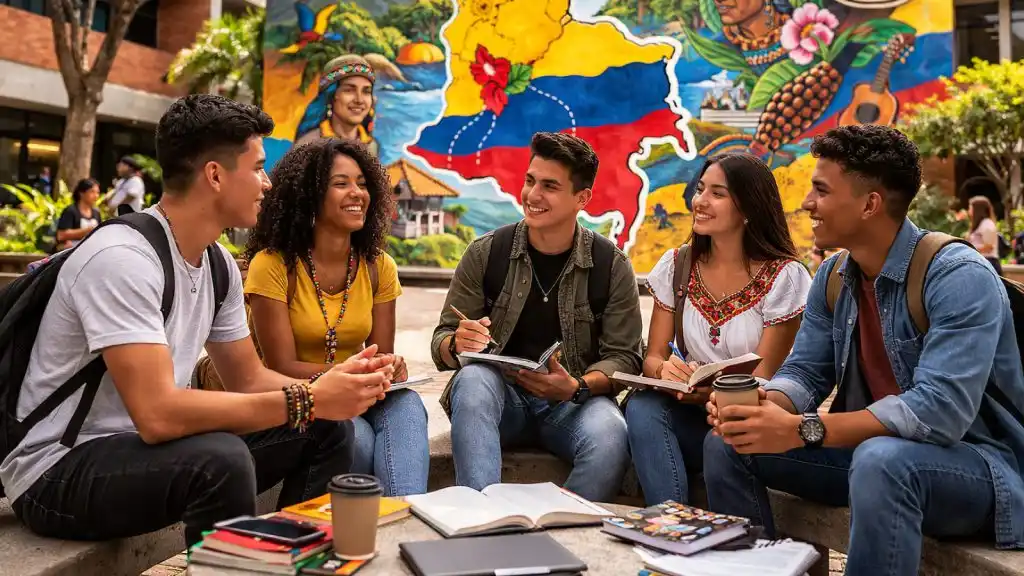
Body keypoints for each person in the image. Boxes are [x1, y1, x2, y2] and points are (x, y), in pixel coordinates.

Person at [0, 94, 393, 548]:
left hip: (143, 453)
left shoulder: (218, 265)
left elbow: (247, 379)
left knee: (327, 427)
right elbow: (159, 415)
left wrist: (333, 384)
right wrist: (306, 398)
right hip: (56, 471)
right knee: (221, 459)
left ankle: (294, 559)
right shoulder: (122, 260)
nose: (267, 183)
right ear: (215, 175)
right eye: (257, 167)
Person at [702, 125, 1024, 575]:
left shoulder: (957, 275)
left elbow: (939, 412)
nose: (807, 203)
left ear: (870, 204)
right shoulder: (835, 276)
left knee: (882, 461)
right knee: (730, 443)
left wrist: (802, 429)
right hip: (875, 458)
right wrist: (760, 407)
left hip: (979, 471)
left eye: (820, 190)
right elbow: (806, 374)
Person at [431, 132, 643, 503]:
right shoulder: (486, 253)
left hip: (571, 404)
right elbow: (442, 341)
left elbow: (625, 357)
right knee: (474, 378)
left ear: (582, 198)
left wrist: (577, 387)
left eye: (549, 186)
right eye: (530, 181)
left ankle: (560, 530)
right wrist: (456, 343)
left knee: (611, 433)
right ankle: (482, 519)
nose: (532, 195)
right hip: (502, 403)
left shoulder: (611, 265)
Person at [243, 136, 428, 497]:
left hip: (361, 392)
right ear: (310, 195)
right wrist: (351, 375)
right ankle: (383, 530)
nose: (356, 193)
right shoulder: (273, 265)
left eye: (362, 183)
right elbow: (279, 365)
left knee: (407, 406)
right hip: (306, 400)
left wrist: (390, 367)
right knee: (355, 440)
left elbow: (379, 357)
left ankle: (403, 520)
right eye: (341, 183)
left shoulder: (379, 267)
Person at [625, 153, 810, 506]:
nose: (700, 201)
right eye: (700, 189)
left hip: (750, 421)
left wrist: (710, 394)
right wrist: (666, 371)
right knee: (643, 407)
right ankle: (669, 523)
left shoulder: (784, 277)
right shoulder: (677, 265)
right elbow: (652, 357)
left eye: (717, 194)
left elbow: (765, 375)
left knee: (723, 438)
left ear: (748, 207)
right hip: (690, 419)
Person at [293, 54, 401, 156]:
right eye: (349, 90)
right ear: (331, 96)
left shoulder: (371, 147)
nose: (359, 100)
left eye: (366, 91)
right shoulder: (309, 146)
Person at [55, 178, 103, 250]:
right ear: (81, 193)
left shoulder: (96, 213)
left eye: (97, 192)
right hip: (71, 249)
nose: (96, 196)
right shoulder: (70, 211)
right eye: (92, 192)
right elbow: (61, 235)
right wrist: (87, 231)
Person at [966, 195, 1003, 274]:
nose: (968, 210)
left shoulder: (987, 224)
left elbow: (989, 246)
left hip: (988, 262)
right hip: (980, 261)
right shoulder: (978, 225)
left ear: (977, 209)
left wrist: (970, 249)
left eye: (970, 208)